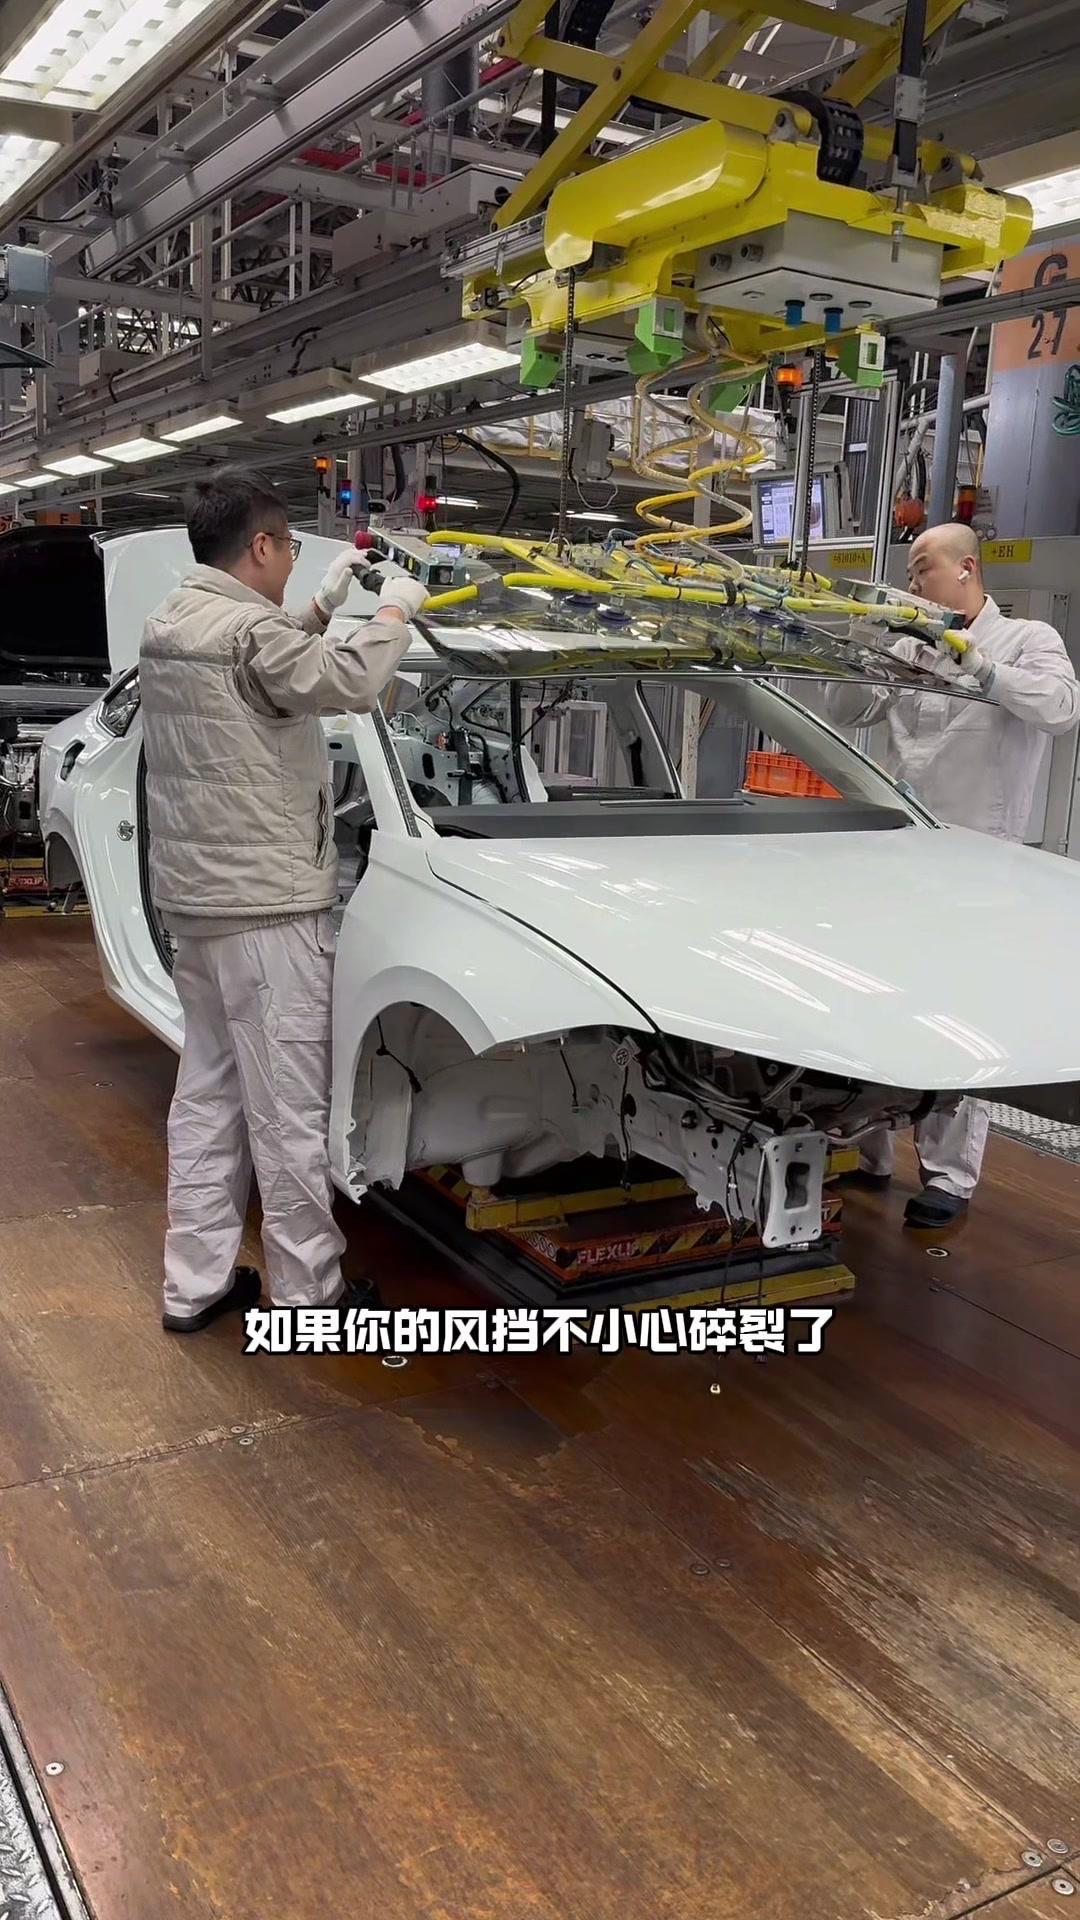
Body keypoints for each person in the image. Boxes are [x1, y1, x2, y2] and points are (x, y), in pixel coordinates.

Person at [139, 469, 426, 1331]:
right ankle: (309, 1295)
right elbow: (347, 684)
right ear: (260, 545)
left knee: (209, 1098)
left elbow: (257, 671)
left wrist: (320, 606)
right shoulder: (247, 635)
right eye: (292, 549)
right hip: (268, 913)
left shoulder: (173, 620)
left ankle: (193, 1285)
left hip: (199, 911)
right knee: (287, 1113)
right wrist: (393, 611)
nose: (294, 561)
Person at [827, 521, 1079, 1228]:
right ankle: (868, 1149)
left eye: (922, 568)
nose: (913, 582)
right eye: (909, 573)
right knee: (877, 1002)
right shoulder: (911, 644)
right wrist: (868, 645)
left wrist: (979, 667)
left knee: (956, 1018)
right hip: (899, 860)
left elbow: (1061, 709)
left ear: (966, 568)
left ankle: (948, 1175)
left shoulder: (1026, 640)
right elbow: (844, 711)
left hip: (979, 870)